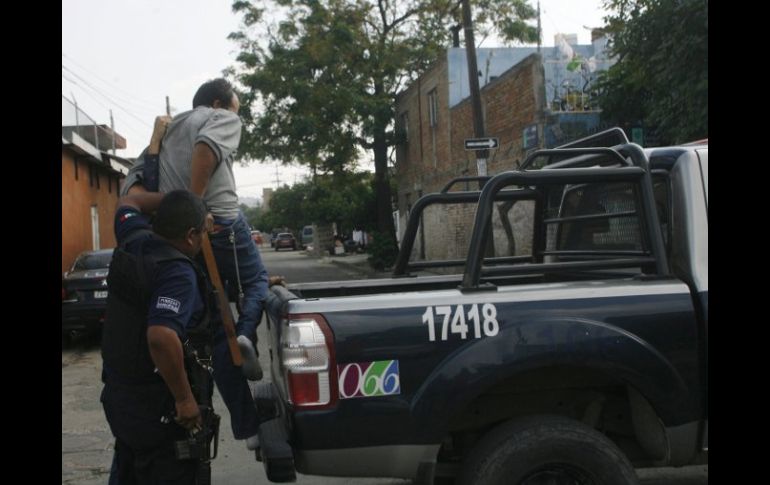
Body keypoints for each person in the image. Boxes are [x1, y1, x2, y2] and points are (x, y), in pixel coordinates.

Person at [122, 79, 266, 448]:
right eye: (236, 107)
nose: (237, 115)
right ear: (219, 103)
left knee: (219, 330)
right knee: (258, 282)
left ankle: (249, 428)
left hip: (181, 238)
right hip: (218, 224)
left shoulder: (164, 136)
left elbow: (130, 192)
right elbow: (206, 149)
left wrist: (174, 208)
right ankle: (248, 332)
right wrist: (195, 205)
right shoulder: (221, 117)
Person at [101, 188, 213, 484]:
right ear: (190, 235)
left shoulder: (132, 236)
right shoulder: (177, 272)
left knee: (128, 467)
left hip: (120, 398)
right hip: (158, 409)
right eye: (203, 232)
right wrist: (185, 400)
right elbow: (161, 337)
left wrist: (182, 201)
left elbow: (129, 201)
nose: (204, 239)